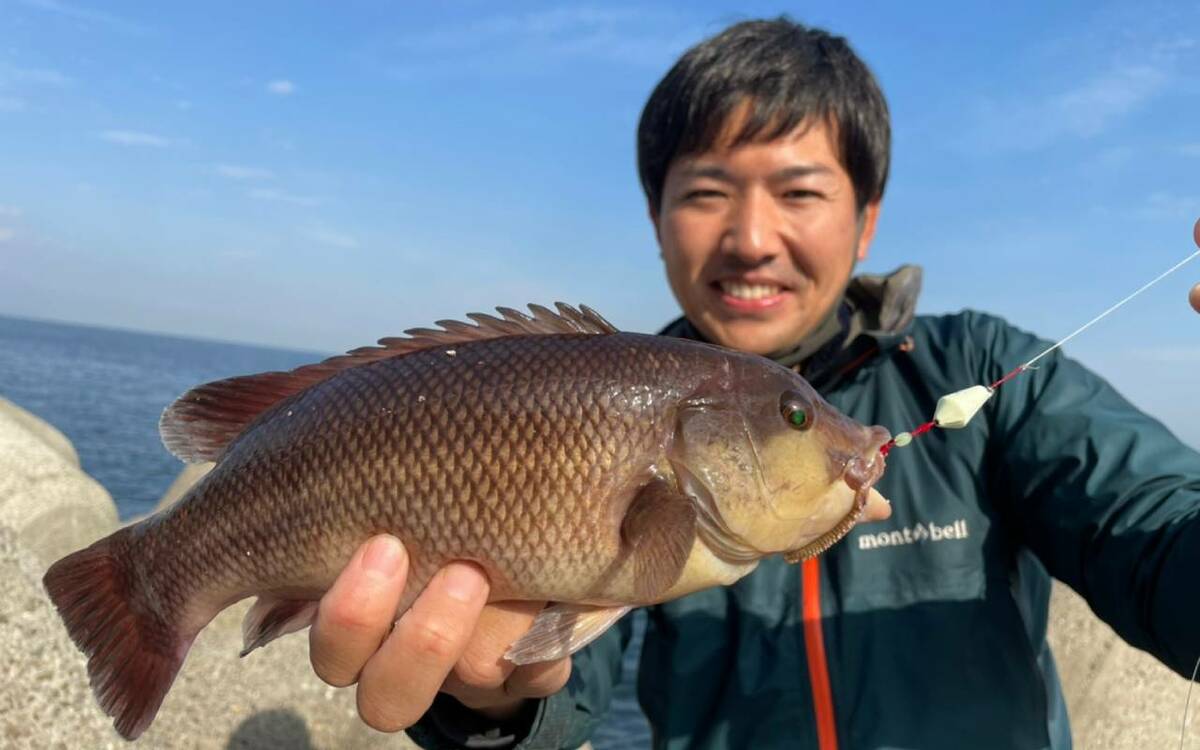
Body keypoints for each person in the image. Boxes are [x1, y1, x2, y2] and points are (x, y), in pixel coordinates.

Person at [306, 18, 1200, 749]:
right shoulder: (591, 401)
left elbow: (1158, 545)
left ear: (866, 216)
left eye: (800, 192)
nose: (751, 238)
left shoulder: (986, 375)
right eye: (704, 193)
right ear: (656, 220)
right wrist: (493, 701)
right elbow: (570, 692)